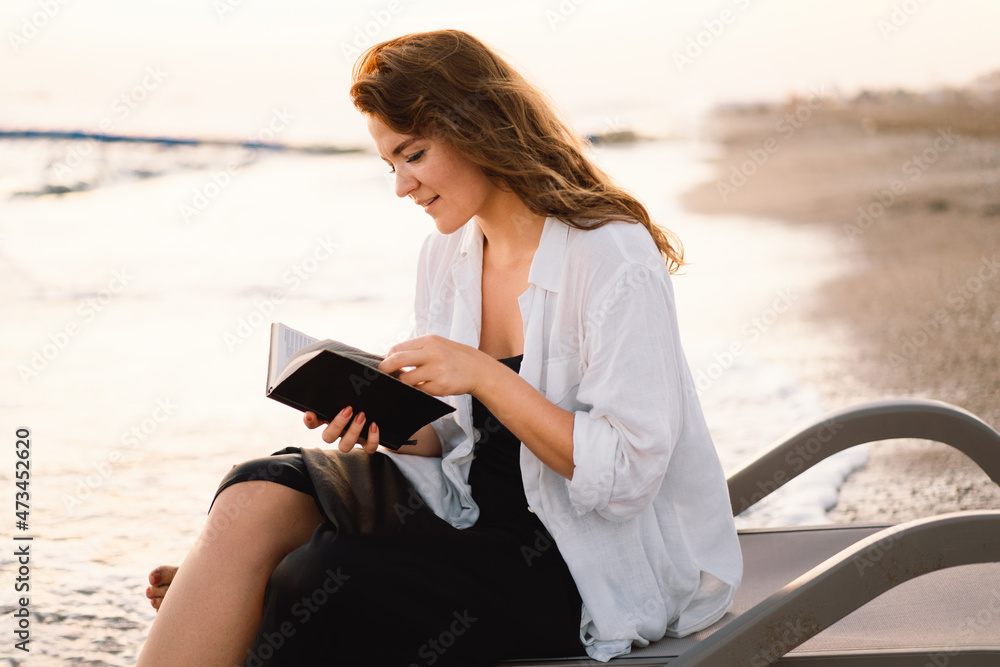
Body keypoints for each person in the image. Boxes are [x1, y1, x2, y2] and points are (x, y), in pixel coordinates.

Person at [137, 29, 741, 666]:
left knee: (322, 579)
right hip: (465, 508)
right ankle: (224, 590)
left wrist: (484, 374)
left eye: (414, 155)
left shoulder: (610, 253)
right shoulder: (449, 253)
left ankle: (244, 600)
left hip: (574, 561)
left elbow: (627, 476)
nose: (402, 185)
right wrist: (381, 416)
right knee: (255, 489)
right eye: (390, 164)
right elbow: (452, 441)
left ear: (480, 125)